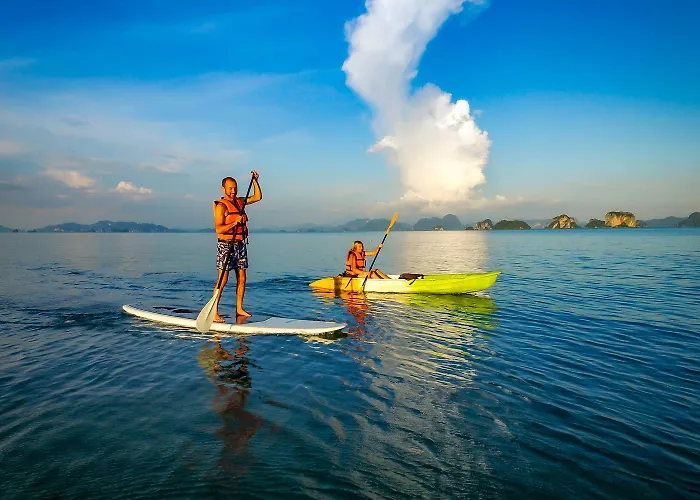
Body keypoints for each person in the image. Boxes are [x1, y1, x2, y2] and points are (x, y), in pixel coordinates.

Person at [213, 171, 262, 321]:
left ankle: (239, 308)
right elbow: (219, 229)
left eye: (235, 188)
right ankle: (214, 311)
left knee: (242, 277)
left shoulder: (240, 201)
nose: (233, 191)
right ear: (223, 189)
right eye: (230, 188)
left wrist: (255, 181)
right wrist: (235, 222)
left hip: (240, 244)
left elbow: (257, 197)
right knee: (223, 279)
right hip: (226, 245)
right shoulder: (221, 206)